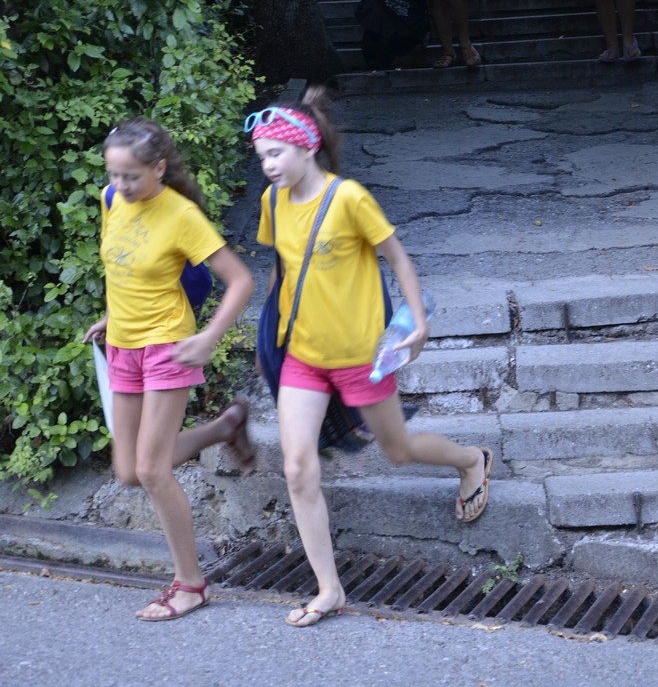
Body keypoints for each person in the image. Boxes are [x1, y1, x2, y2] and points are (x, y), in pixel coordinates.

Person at [248, 89, 494, 627]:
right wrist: (272, 337)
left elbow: (398, 259)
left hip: (360, 355)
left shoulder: (349, 198)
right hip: (303, 355)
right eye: (262, 156)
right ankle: (329, 588)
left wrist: (419, 323)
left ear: (307, 147)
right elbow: (281, 269)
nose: (268, 165)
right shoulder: (272, 202)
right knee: (297, 469)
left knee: (398, 451)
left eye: (276, 154)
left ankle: (470, 460)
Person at [83, 117, 256, 621]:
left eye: (131, 176)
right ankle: (225, 427)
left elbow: (240, 280)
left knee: (152, 470)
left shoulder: (181, 215)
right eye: (114, 174)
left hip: (167, 346)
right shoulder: (111, 199)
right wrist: (112, 315)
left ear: (158, 168)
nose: (120, 185)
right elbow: (121, 266)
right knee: (128, 471)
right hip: (123, 345)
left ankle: (191, 585)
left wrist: (208, 337)